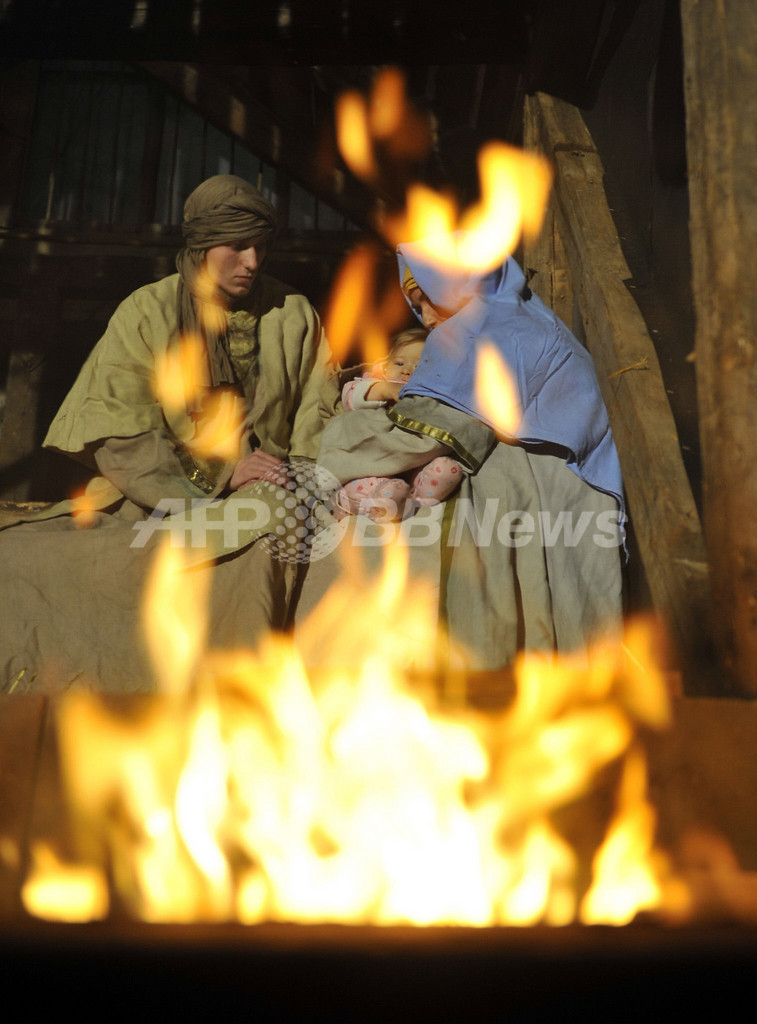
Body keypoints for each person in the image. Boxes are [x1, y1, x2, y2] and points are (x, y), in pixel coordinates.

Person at [0, 174, 337, 693]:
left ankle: (232, 697)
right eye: (239, 245)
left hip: (271, 492)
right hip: (153, 494)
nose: (253, 260)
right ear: (202, 244)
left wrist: (301, 479)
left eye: (262, 246)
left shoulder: (294, 313)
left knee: (247, 552)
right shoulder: (148, 310)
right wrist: (221, 473)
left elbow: (319, 417)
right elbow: (115, 427)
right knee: (27, 563)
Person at [319, 232, 624, 669]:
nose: (424, 317)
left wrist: (334, 447)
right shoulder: (522, 318)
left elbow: (426, 430)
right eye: (415, 304)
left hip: (553, 480)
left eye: (429, 299)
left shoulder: (484, 330)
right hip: (580, 492)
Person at [334, 328, 463, 520]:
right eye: (399, 363)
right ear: (384, 367)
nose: (407, 370)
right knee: (362, 488)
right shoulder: (372, 386)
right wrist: (384, 389)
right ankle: (378, 503)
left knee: (447, 469)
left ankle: (415, 502)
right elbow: (351, 397)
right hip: (371, 467)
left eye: (419, 367)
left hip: (414, 468)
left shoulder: (431, 399)